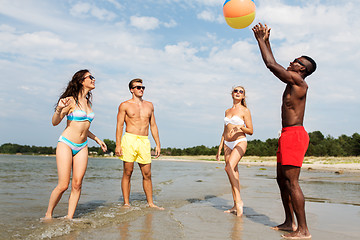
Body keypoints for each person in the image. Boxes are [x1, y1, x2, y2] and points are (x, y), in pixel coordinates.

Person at [252, 23, 316, 239]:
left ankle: (304, 230)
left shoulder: (298, 82)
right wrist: (267, 41)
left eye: (296, 61)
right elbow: (275, 62)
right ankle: (289, 222)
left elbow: (271, 64)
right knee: (281, 180)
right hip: (286, 134)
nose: (291, 62)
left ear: (302, 69)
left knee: (292, 182)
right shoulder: (293, 80)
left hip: (295, 136)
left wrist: (260, 41)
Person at [43, 69, 107, 220]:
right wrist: (59, 109)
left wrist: (97, 139)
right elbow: (55, 122)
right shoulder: (70, 100)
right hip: (66, 143)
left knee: (77, 184)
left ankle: (69, 218)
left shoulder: (87, 101)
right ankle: (48, 215)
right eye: (90, 77)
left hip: (82, 146)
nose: (93, 79)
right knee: (63, 185)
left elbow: (84, 127)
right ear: (81, 80)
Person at [115, 78, 163, 210]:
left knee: (147, 174)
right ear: (131, 89)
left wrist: (158, 144)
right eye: (138, 87)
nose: (141, 89)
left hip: (144, 141)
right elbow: (119, 126)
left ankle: (151, 203)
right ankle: (126, 203)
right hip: (129, 139)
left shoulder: (150, 105)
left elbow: (153, 125)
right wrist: (118, 144)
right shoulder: (124, 105)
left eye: (143, 87)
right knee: (128, 172)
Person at [216, 86, 253, 217]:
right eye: (236, 91)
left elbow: (251, 131)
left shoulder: (245, 110)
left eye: (241, 92)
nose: (238, 93)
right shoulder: (227, 111)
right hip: (227, 143)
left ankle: (239, 201)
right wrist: (220, 147)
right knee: (233, 174)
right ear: (232, 94)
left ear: (243, 96)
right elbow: (224, 130)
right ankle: (235, 205)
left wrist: (240, 127)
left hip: (239, 141)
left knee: (229, 168)